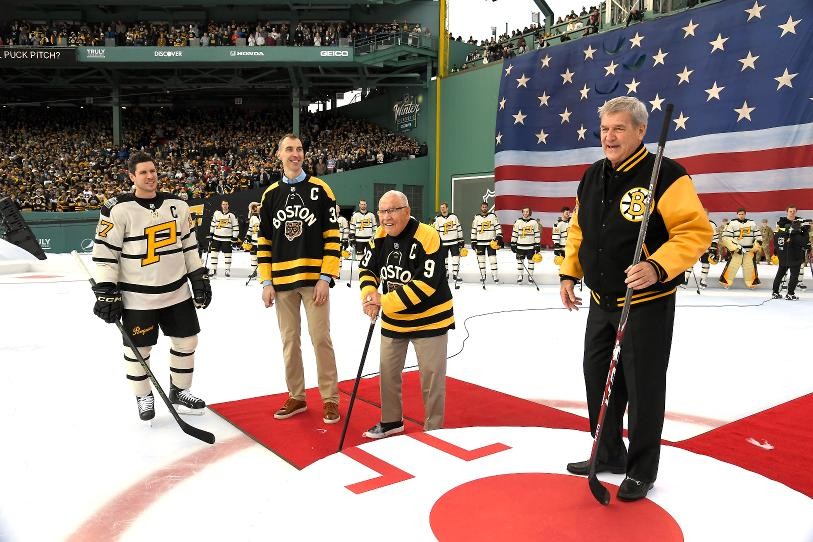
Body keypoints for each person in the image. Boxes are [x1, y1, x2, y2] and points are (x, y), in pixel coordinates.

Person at [559, 96, 711, 502]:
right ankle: (609, 451)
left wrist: (658, 266)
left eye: (619, 129)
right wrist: (570, 272)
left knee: (643, 387)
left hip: (645, 302)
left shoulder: (667, 175)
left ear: (641, 131)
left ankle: (642, 469)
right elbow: (579, 230)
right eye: (605, 129)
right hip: (601, 300)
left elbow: (695, 232)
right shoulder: (592, 176)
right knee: (598, 377)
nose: (609, 137)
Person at [90, 151, 212, 422]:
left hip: (177, 291)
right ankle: (143, 395)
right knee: (139, 350)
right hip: (137, 296)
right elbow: (105, 253)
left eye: (153, 171)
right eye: (143, 172)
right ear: (131, 176)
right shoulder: (117, 209)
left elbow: (189, 246)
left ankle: (180, 391)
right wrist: (106, 290)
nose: (150, 176)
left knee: (187, 341)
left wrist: (198, 277)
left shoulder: (178, 205)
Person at [257, 134, 342, 425]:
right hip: (281, 283)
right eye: (289, 149)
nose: (295, 154)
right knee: (290, 341)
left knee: (321, 339)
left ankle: (330, 398)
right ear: (279, 155)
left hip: (314, 281)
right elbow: (264, 242)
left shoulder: (321, 189)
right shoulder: (270, 195)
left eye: (299, 149)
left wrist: (326, 277)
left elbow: (333, 236)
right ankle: (297, 395)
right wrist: (266, 282)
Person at [358, 190, 454, 438]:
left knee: (431, 378)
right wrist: (369, 295)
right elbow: (367, 269)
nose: (386, 217)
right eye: (382, 211)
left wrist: (383, 300)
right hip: (395, 319)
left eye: (392, 211)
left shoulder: (428, 236)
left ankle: (434, 429)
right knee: (388, 372)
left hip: (430, 319)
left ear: (407, 211)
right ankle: (391, 421)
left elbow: (426, 284)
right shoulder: (379, 236)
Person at [771, 206, 811, 300]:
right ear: (787, 212)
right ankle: (790, 294)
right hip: (793, 256)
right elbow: (804, 242)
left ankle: (775, 292)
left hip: (786, 255)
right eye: (790, 211)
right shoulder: (783, 225)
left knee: (781, 274)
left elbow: (777, 240)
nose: (792, 213)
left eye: (794, 211)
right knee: (793, 275)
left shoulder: (797, 223)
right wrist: (805, 232)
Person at [719, 208, 762, 289]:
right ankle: (726, 282)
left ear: (745, 214)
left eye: (742, 214)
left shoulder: (752, 223)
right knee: (732, 266)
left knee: (750, 267)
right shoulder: (732, 223)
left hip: (749, 250)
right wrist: (735, 247)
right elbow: (727, 237)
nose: (741, 216)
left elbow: (758, 236)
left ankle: (751, 283)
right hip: (737, 250)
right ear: (737, 214)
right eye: (739, 214)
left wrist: (756, 246)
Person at [432, 202, 464, 283]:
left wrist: (461, 240)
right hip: (443, 243)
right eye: (441, 208)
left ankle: (455, 275)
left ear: (447, 208)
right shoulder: (438, 218)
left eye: (443, 207)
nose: (442, 209)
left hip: (454, 242)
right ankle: (445, 274)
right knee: (444, 260)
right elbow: (436, 232)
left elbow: (459, 228)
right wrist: (436, 242)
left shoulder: (454, 217)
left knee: (456, 258)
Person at [471, 202, 503, 283]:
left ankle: (495, 276)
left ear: (487, 208)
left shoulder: (493, 216)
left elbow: (497, 227)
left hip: (491, 242)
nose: (484, 208)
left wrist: (499, 236)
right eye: (483, 207)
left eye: (485, 207)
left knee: (493, 259)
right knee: (481, 260)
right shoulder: (477, 217)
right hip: (480, 242)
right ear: (481, 208)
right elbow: (474, 229)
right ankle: (483, 275)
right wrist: (473, 240)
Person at [208, 199, 239, 277]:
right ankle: (213, 269)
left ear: (228, 205)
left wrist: (234, 237)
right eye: (223, 204)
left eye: (226, 204)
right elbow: (213, 224)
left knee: (228, 254)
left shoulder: (232, 215)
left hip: (227, 239)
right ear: (221, 205)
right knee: (214, 254)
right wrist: (211, 233)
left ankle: (227, 270)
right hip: (216, 238)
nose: (225, 206)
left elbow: (235, 226)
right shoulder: (216, 214)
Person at [510, 207, 541, 283]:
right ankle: (520, 275)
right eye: (524, 212)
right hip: (520, 246)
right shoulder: (518, 222)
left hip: (531, 246)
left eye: (527, 212)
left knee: (531, 261)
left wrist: (537, 244)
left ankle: (530, 276)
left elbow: (537, 234)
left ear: (530, 212)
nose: (525, 213)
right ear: (522, 212)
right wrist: (513, 243)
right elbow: (515, 233)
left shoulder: (534, 222)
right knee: (520, 262)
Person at [244, 201, 261, 278]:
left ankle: (264, 273)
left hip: (262, 241)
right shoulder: (253, 218)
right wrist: (248, 237)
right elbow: (250, 228)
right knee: (253, 256)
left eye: (256, 207)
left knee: (263, 258)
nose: (255, 209)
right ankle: (254, 272)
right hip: (254, 241)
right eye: (254, 208)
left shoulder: (265, 217)